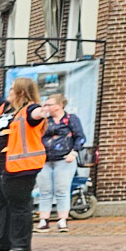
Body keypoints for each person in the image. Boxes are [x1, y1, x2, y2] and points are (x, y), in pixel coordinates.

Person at [0, 62, 60, 251]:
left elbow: (36, 114)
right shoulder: (4, 108)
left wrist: (44, 111)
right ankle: (2, 240)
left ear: (21, 92)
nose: (8, 92)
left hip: (20, 166)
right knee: (3, 203)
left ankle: (21, 243)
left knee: (19, 206)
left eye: (12, 89)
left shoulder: (29, 110)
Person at [34, 93, 88, 233]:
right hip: (45, 160)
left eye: (49, 104)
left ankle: (62, 220)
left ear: (59, 105)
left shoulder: (70, 119)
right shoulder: (45, 121)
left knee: (62, 190)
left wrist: (74, 153)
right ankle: (43, 220)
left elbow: (80, 137)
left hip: (64, 159)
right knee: (45, 190)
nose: (46, 107)